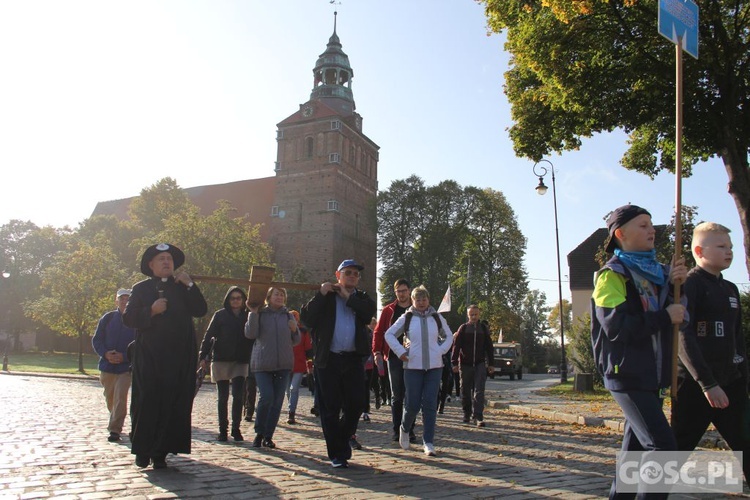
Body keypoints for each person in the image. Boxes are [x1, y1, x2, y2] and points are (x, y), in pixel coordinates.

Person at [590, 205, 687, 498]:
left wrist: (675, 287)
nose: (652, 230)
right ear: (620, 234)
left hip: (652, 375)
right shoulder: (611, 275)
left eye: (651, 224)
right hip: (626, 373)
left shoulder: (660, 276)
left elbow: (679, 316)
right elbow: (616, 327)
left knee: (632, 454)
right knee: (664, 450)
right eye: (643, 225)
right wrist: (665, 315)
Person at [673, 222, 749, 481]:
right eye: (721, 246)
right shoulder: (688, 285)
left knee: (746, 442)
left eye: (730, 246)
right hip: (696, 386)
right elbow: (683, 335)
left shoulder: (730, 289)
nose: (729, 251)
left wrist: (743, 378)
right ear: (700, 250)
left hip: (732, 383)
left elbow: (737, 338)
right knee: (674, 451)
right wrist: (707, 383)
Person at [123, 243, 208, 469]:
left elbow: (200, 309)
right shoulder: (140, 289)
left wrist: (190, 285)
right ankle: (142, 450)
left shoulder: (183, 287)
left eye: (169, 258)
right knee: (147, 400)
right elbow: (129, 318)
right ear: (151, 265)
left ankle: (161, 452)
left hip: (178, 357)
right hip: (149, 356)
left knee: (172, 402)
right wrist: (151, 311)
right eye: (161, 259)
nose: (166, 262)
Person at [301, 259, 376, 469]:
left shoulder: (361, 298)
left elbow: (366, 314)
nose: (352, 276)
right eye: (348, 272)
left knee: (356, 403)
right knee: (330, 407)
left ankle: (341, 439)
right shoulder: (326, 297)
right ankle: (337, 454)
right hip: (329, 359)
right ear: (338, 275)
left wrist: (349, 298)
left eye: (355, 274)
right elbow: (307, 318)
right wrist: (320, 294)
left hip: (352, 358)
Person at [385, 285, 453, 457]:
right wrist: (400, 352)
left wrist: (441, 350)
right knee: (412, 405)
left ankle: (428, 442)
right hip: (412, 367)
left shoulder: (436, 317)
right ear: (413, 301)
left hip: (434, 367)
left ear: (428, 300)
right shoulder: (407, 317)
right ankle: (405, 428)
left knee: (430, 405)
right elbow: (389, 334)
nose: (421, 302)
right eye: (418, 299)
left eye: (424, 299)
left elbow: (449, 336)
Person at [245, 286, 300, 449]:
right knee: (267, 397)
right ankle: (259, 432)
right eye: (276, 294)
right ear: (268, 297)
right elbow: (250, 333)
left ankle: (268, 436)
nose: (280, 297)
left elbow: (296, 340)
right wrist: (253, 314)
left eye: (282, 294)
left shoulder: (288, 315)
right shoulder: (260, 313)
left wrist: (294, 329)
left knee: (277, 401)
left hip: (283, 364)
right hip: (262, 363)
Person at [199, 286, 252, 442]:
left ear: (243, 300)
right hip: (221, 359)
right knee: (222, 397)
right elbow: (209, 336)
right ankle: (223, 429)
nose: (235, 301)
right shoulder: (220, 315)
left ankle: (236, 428)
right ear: (228, 300)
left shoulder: (248, 316)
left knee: (238, 396)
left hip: (240, 360)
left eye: (238, 298)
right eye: (232, 298)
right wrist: (203, 355)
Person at [373, 279, 416, 443]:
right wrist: (377, 352)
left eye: (404, 290)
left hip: (414, 356)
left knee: (411, 395)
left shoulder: (417, 309)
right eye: (399, 291)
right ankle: (397, 429)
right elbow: (378, 332)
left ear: (409, 291)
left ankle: (409, 429)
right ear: (395, 292)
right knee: (397, 395)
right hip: (393, 357)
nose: (402, 294)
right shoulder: (388, 310)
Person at [92, 288, 136, 443]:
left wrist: (124, 356)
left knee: (120, 398)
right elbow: (97, 340)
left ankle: (115, 430)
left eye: (128, 299)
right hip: (107, 367)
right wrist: (106, 354)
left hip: (126, 368)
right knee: (110, 398)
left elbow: (140, 345)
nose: (125, 301)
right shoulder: (108, 318)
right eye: (122, 299)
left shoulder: (137, 320)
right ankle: (114, 418)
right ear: (116, 300)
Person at [451, 304, 495, 427]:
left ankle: (478, 416)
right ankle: (466, 413)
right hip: (465, 364)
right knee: (465, 390)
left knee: (479, 390)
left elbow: (489, 347)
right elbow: (456, 347)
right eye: (471, 315)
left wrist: (491, 363)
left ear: (479, 314)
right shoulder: (463, 328)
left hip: (480, 363)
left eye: (475, 314)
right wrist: (454, 362)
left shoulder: (483, 329)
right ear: (468, 315)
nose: (474, 317)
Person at [286, 310, 313, 425]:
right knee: (287, 390)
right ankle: (291, 407)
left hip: (299, 364)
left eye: (295, 317)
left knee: (294, 388)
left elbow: (308, 349)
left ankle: (291, 412)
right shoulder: (283, 330)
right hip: (285, 364)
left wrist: (310, 365)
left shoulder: (303, 331)